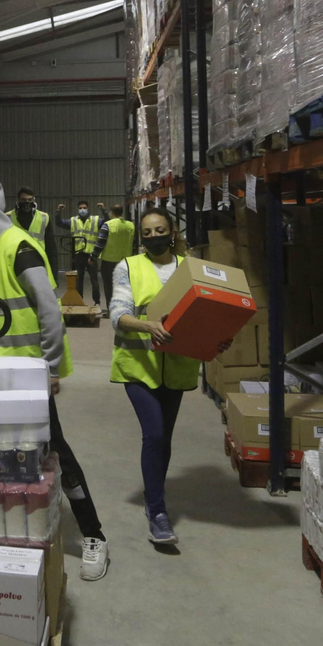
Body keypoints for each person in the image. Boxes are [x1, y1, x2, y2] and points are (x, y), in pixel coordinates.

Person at [0, 175, 109, 582]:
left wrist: (51, 368)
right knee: (3, 452)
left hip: (27, 374)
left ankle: (94, 535)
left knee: (55, 448)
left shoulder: (19, 247)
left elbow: (49, 309)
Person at [109, 210, 230, 547]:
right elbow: (118, 313)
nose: (153, 237)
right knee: (154, 434)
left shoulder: (188, 269)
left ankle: (153, 494)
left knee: (164, 439)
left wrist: (217, 338)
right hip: (138, 366)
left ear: (172, 231)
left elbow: (206, 316)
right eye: (147, 233)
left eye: (159, 230)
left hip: (177, 368)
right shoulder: (128, 267)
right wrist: (147, 325)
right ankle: (157, 511)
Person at [55, 200, 103, 307]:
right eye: (80, 208)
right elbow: (59, 223)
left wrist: (103, 210)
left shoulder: (95, 220)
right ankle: (80, 301)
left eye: (84, 208)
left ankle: (97, 302)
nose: (82, 210)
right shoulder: (73, 221)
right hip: (78, 254)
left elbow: (107, 222)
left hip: (91, 255)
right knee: (78, 280)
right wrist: (58, 211)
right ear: (78, 209)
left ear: (88, 208)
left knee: (94, 280)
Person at [94, 204, 135, 318]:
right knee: (124, 286)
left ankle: (111, 310)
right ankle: (126, 309)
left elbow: (100, 243)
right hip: (125, 261)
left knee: (109, 287)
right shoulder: (130, 225)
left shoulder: (108, 225)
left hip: (109, 261)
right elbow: (134, 242)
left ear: (111, 212)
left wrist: (93, 257)